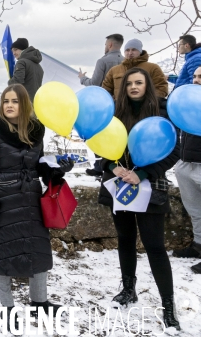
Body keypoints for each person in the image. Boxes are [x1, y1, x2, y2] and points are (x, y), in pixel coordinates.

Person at [0, 84, 74, 327]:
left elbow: (39, 166)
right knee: (1, 254)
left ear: (24, 104)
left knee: (37, 251)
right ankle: (7, 309)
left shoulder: (36, 130)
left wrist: (57, 170)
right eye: (6, 101)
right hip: (3, 199)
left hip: (31, 199)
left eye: (15, 101)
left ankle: (40, 303)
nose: (9, 105)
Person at [97, 67, 180, 330]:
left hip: (150, 186)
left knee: (155, 246)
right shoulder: (113, 114)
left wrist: (141, 173)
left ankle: (168, 306)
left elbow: (173, 151)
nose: (133, 87)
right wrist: (113, 168)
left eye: (139, 83)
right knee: (125, 240)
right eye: (129, 83)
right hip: (119, 185)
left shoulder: (162, 112)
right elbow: (103, 148)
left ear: (148, 86)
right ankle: (128, 289)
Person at [79, 34, 124, 177]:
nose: (105, 47)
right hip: (122, 104)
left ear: (110, 45)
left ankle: (99, 166)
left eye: (105, 44)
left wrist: (82, 78)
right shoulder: (126, 62)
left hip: (103, 104)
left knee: (98, 134)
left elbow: (94, 84)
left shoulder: (103, 61)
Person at [173, 66, 201, 274]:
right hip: (186, 162)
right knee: (195, 211)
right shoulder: (189, 101)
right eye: (195, 76)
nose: (196, 80)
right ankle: (198, 245)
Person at [102, 39, 169, 99]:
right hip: (120, 110)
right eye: (127, 50)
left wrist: (148, 102)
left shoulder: (153, 68)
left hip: (145, 111)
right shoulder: (114, 70)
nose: (130, 53)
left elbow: (162, 88)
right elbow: (105, 91)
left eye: (134, 50)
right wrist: (115, 103)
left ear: (140, 51)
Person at [8, 38, 44, 102]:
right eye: (12, 51)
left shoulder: (21, 62)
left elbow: (17, 82)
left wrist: (10, 82)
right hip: (36, 103)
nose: (13, 53)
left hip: (25, 103)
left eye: (15, 50)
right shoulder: (39, 66)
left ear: (22, 49)